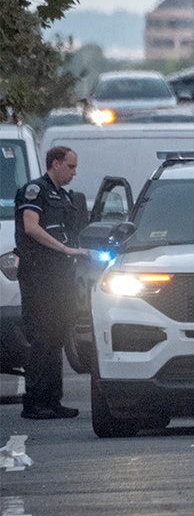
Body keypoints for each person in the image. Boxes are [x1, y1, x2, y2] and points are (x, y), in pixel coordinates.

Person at [14, 146, 89, 419]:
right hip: (39, 277)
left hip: (61, 277)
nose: (74, 172)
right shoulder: (35, 191)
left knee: (57, 338)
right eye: (70, 166)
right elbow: (31, 227)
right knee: (42, 338)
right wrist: (65, 249)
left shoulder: (64, 197)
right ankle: (34, 402)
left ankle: (52, 400)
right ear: (55, 164)